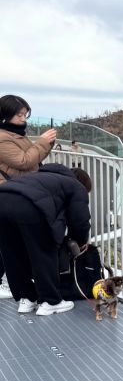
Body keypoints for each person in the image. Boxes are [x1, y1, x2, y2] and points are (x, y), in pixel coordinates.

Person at [0, 164, 91, 316]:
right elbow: (80, 221)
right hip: (30, 207)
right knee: (43, 251)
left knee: (12, 253)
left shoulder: (41, 176)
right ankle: (51, 302)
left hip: (2, 199)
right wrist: (80, 243)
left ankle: (27, 298)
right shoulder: (76, 186)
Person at [0, 95, 56, 300]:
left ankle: (23, 293)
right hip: (11, 194)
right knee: (12, 246)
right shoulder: (3, 137)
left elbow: (33, 161)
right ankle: (22, 291)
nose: (23, 118)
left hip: (19, 191)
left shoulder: (15, 134)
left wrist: (46, 144)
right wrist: (41, 142)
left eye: (25, 114)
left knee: (10, 245)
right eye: (19, 114)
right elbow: (23, 162)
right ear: (5, 116)